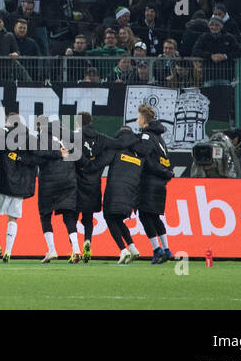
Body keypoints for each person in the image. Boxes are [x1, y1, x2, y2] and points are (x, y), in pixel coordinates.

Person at [100, 115, 151, 263]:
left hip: (114, 190)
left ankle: (123, 250)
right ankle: (133, 248)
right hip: (131, 192)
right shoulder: (140, 152)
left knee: (109, 218)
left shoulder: (116, 149)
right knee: (118, 220)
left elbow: (100, 162)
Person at [0, 113, 38, 262]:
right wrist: (21, 158)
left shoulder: (1, 136)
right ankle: (8, 252)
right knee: (13, 218)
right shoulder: (30, 139)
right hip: (21, 186)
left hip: (4, 184)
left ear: (8, 122)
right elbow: (36, 159)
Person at [33, 116, 80, 263]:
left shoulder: (42, 137)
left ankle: (52, 250)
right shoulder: (66, 136)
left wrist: (56, 154)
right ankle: (76, 248)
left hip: (49, 182)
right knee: (69, 215)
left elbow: (38, 153)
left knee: (45, 215)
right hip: (68, 180)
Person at [135, 105, 176, 264]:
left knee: (145, 216)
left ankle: (157, 250)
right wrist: (166, 173)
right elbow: (165, 161)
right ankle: (167, 249)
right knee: (154, 217)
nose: (137, 120)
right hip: (160, 183)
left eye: (139, 117)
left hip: (149, 182)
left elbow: (145, 157)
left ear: (145, 121)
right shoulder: (160, 138)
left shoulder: (147, 136)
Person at [75, 110, 109, 261]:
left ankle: (75, 249)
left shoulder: (75, 139)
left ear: (78, 123)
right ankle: (87, 241)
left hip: (77, 184)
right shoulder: (100, 139)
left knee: (72, 218)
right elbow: (104, 158)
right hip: (94, 184)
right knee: (88, 218)